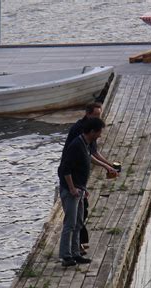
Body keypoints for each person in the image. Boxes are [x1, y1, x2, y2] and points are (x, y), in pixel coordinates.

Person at [62, 102, 118, 252]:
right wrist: (73, 187)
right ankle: (71, 250)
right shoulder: (81, 132)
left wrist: (109, 165)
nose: (98, 118)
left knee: (81, 212)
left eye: (99, 115)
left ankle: (76, 247)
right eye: (95, 115)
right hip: (73, 177)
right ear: (87, 114)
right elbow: (71, 162)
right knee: (75, 217)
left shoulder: (91, 132)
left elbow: (92, 153)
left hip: (80, 180)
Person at [57, 117, 106, 267]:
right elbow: (65, 169)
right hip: (71, 191)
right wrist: (72, 188)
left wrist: (107, 166)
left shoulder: (86, 144)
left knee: (78, 222)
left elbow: (88, 158)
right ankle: (65, 256)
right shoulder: (76, 145)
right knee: (70, 224)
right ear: (92, 131)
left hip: (80, 190)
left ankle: (76, 253)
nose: (100, 135)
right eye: (99, 132)